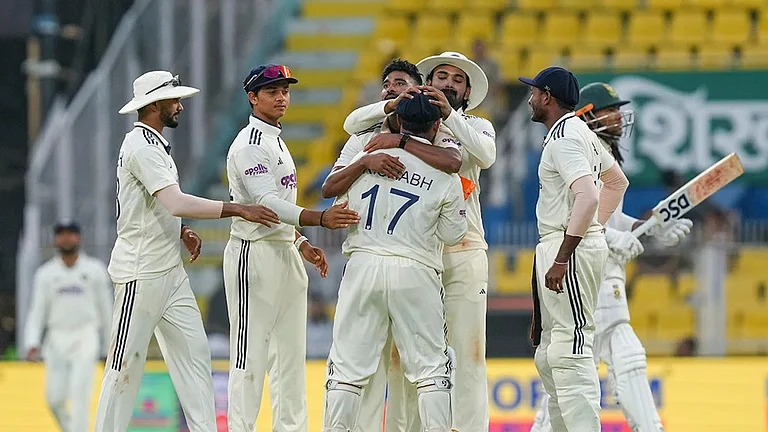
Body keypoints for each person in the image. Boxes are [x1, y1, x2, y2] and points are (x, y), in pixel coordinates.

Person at [95, 70, 280, 432]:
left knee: (196, 358)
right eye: (174, 100)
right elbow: (175, 201)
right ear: (153, 105)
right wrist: (239, 209)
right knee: (124, 367)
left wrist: (181, 231)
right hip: (139, 273)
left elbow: (152, 205)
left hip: (170, 273)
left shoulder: (154, 144)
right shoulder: (140, 146)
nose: (180, 106)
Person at [344, 51, 497, 432]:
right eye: (441, 76)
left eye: (457, 80)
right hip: (413, 253)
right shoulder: (403, 120)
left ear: (467, 92)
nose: (448, 83)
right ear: (427, 83)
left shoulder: (476, 126)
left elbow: (486, 157)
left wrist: (448, 116)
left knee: (467, 355)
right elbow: (352, 124)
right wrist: (393, 105)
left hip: (463, 251)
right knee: (403, 359)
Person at [530, 82, 692, 432]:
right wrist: (607, 234)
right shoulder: (576, 146)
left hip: (600, 270)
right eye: (610, 109)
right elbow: (574, 209)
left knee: (584, 363)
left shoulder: (601, 150)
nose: (619, 116)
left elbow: (609, 214)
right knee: (584, 362)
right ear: (588, 114)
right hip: (586, 267)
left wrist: (651, 229)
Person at [322, 58, 464, 432]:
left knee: (347, 370)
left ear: (399, 120)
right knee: (431, 370)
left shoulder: (367, 157)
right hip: (416, 269)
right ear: (436, 125)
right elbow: (451, 235)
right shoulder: (445, 174)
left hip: (362, 266)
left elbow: (334, 194)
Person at [224, 63, 360, 432]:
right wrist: (318, 220)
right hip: (254, 255)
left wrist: (299, 242)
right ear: (252, 98)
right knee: (249, 356)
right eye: (272, 91)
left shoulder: (276, 140)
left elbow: (279, 205)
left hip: (284, 252)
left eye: (285, 90)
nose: (281, 97)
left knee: (289, 360)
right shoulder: (249, 145)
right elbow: (267, 201)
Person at [519, 66, 629, 432]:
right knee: (551, 352)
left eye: (535, 92)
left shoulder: (565, 136)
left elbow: (590, 194)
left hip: (567, 248)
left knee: (572, 348)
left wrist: (566, 252)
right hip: (566, 242)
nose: (531, 98)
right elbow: (616, 181)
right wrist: (593, 227)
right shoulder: (578, 130)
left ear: (547, 97)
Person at [25, 220, 112, 432]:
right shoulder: (45, 274)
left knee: (80, 396)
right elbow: (38, 310)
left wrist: (110, 345)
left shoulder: (95, 270)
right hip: (56, 337)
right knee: (54, 398)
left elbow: (106, 309)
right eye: (61, 234)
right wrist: (32, 341)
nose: (66, 238)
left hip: (86, 335)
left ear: (78, 238)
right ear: (55, 239)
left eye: (71, 234)